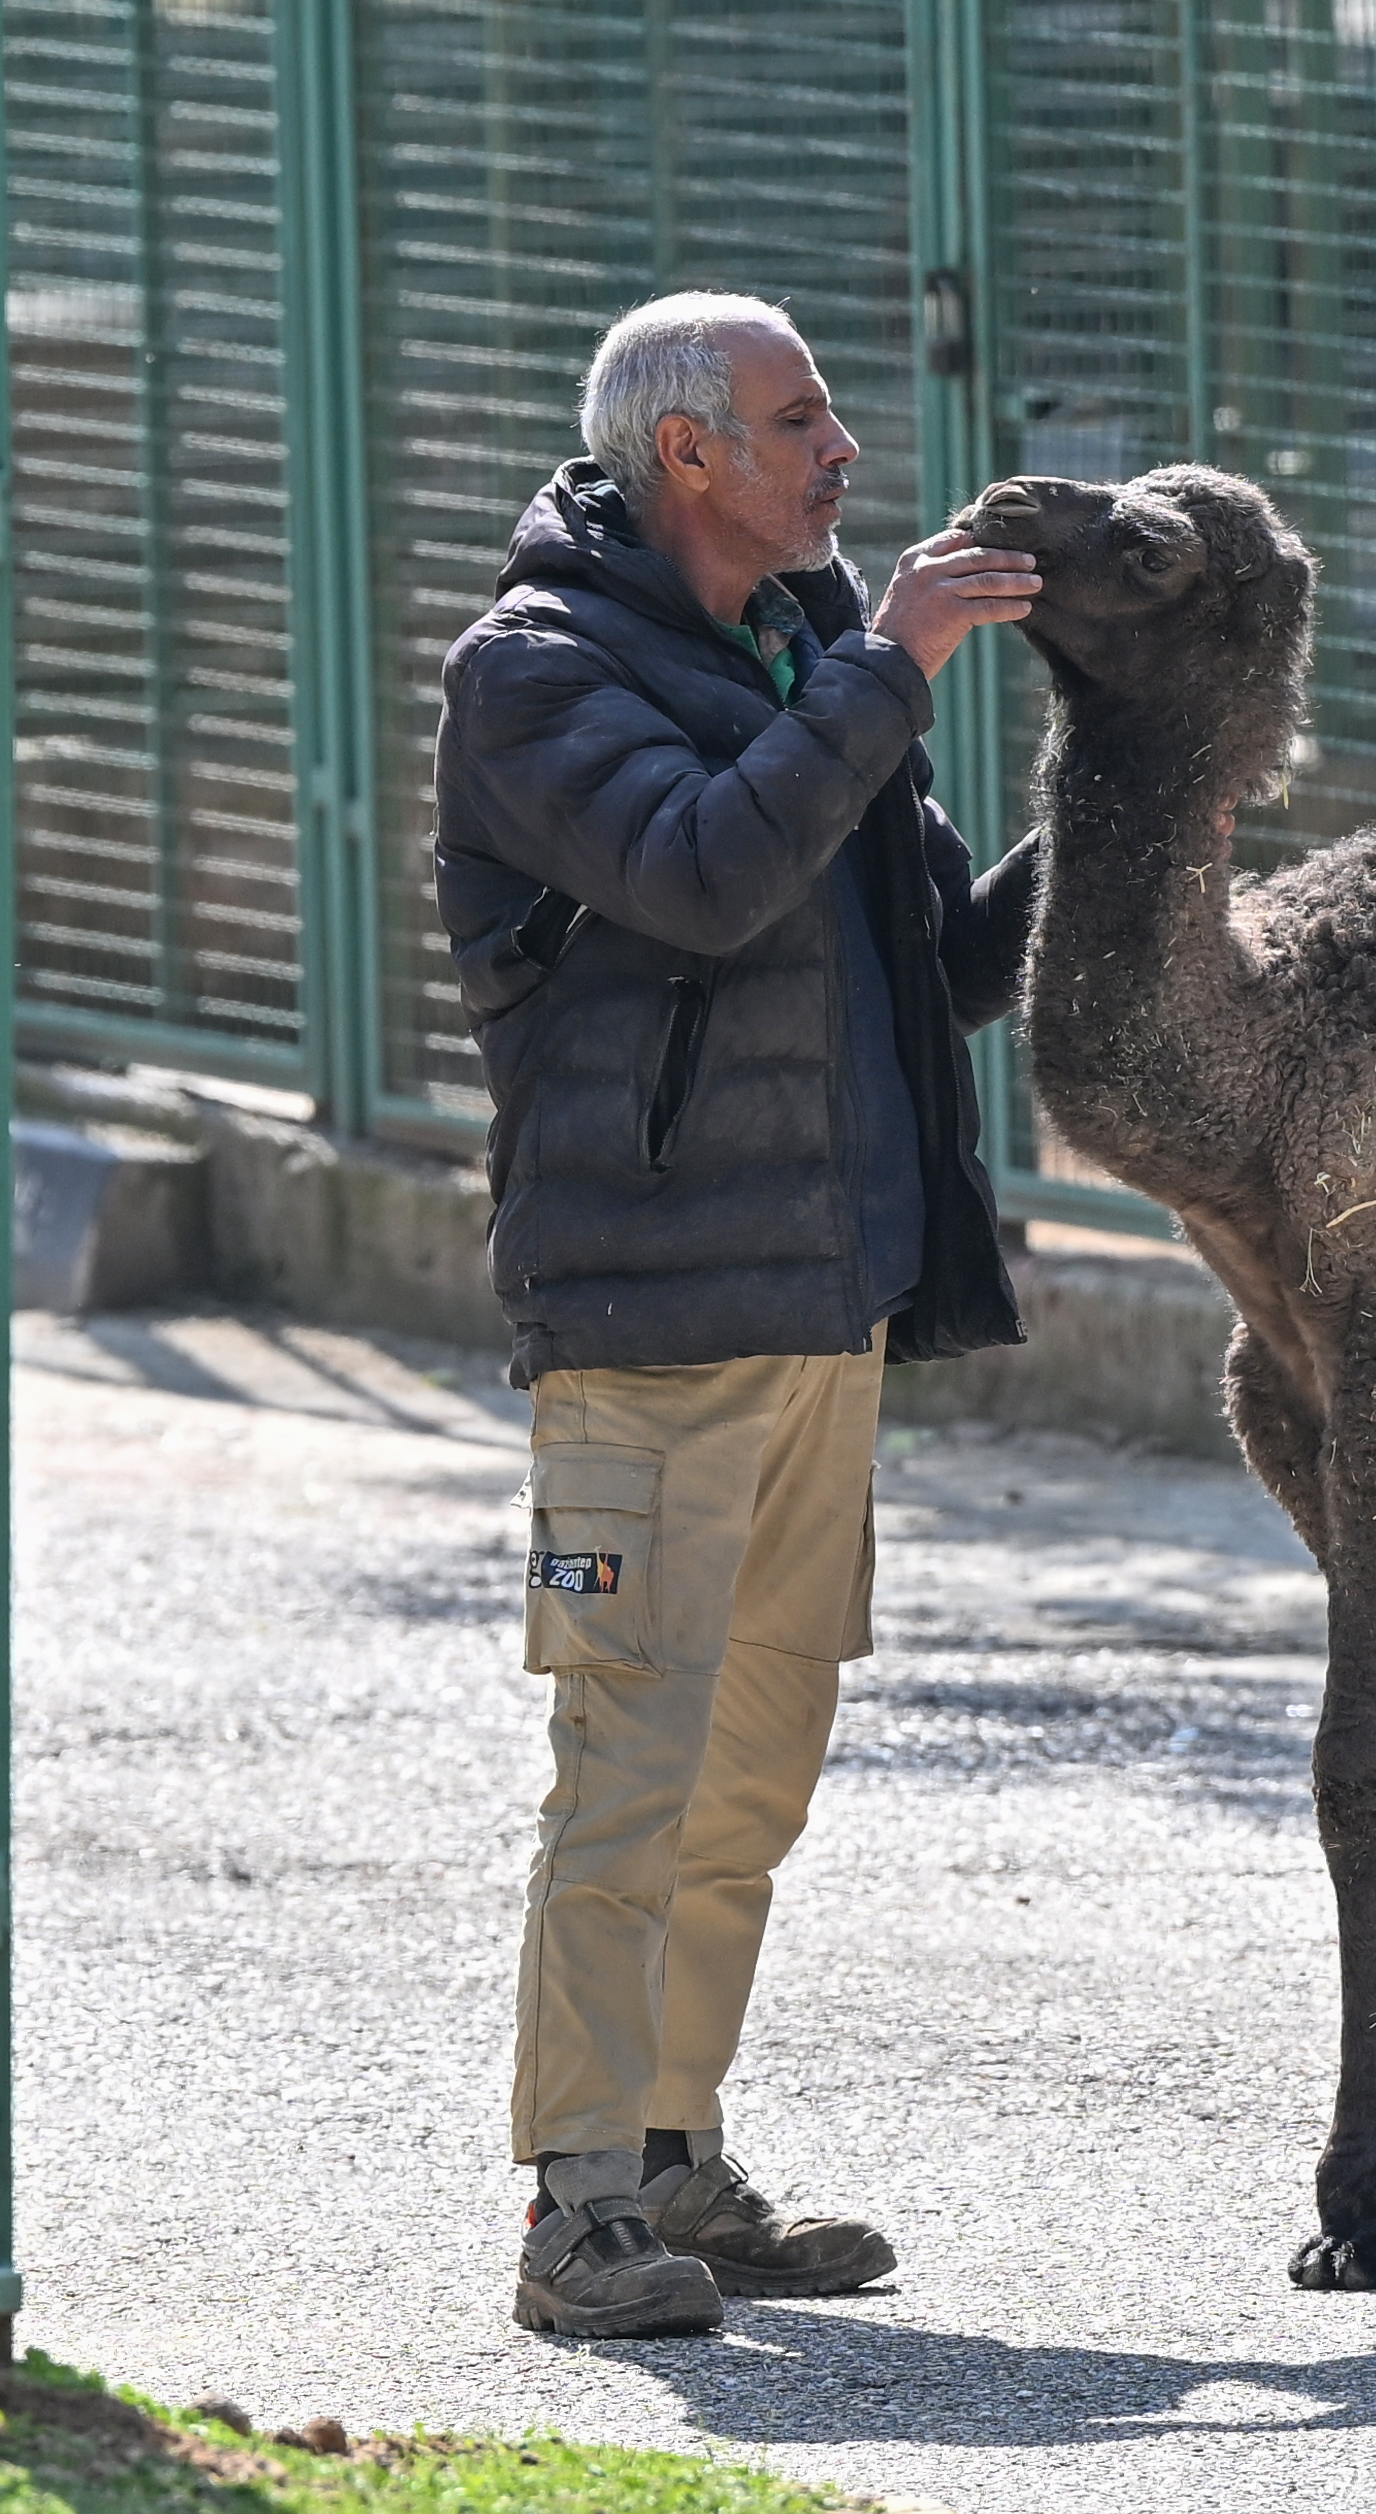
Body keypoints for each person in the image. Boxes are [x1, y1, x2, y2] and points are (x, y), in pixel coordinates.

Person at [433, 291, 1042, 2339]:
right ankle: (574, 2207)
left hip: (820, 1309)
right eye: (802, 421)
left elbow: (931, 955)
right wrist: (890, 668)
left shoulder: (799, 652)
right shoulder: (533, 676)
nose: (844, 452)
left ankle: (677, 2156)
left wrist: (1122, 811)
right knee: (628, 1758)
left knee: (753, 1767)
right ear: (685, 455)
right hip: (643, 1335)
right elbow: (703, 872)